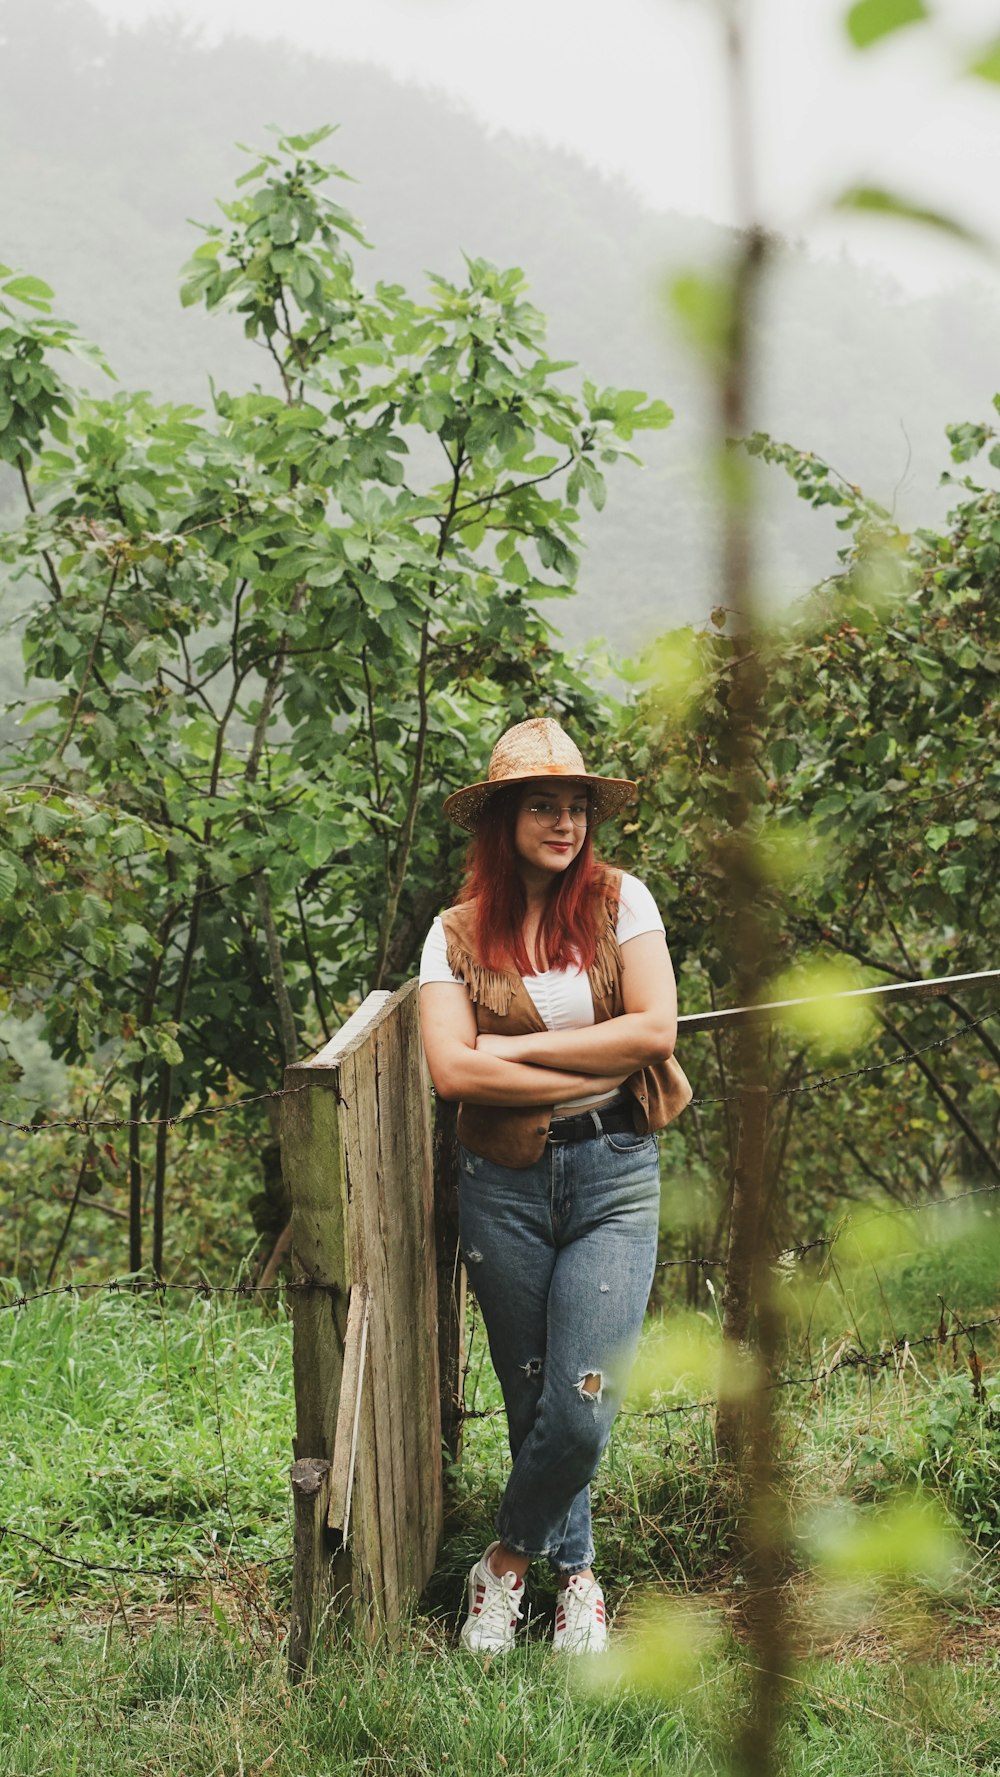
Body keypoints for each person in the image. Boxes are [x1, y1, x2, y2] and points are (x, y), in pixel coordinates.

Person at [419, 717, 690, 1656]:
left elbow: (653, 1032)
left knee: (582, 1401)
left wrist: (518, 1048)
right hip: (505, 1184)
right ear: (502, 818)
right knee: (532, 1393)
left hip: (615, 1173)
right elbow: (453, 1073)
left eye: (576, 805)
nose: (565, 821)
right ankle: (577, 1576)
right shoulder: (452, 934)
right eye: (544, 804)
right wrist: (582, 1065)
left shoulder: (624, 902)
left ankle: (501, 1562)